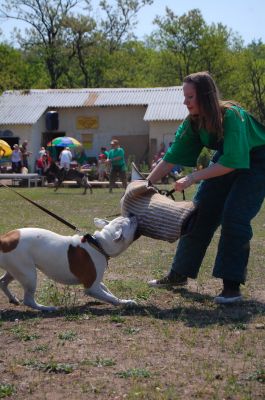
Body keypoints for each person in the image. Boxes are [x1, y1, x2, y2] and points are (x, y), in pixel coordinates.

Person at [147, 71, 265, 304]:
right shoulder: (194, 122)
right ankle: (178, 274)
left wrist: (193, 178)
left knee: (234, 216)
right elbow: (171, 157)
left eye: (190, 97)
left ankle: (231, 287)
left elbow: (233, 161)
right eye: (185, 97)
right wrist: (144, 184)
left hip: (258, 160)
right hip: (226, 159)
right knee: (199, 213)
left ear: (205, 96)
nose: (185, 102)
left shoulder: (232, 116)